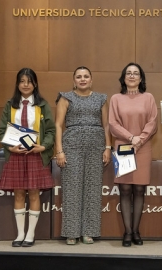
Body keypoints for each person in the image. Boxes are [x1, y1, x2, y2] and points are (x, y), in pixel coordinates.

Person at [0, 68, 55, 247]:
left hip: (35, 155)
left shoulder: (42, 105)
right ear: (17, 84)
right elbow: (2, 131)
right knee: (19, 193)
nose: (25, 84)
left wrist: (43, 146)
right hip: (16, 156)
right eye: (22, 81)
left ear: (35, 84)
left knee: (34, 193)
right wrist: (10, 146)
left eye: (29, 81)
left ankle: (30, 235)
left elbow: (51, 131)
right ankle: (19, 235)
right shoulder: (10, 105)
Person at [55, 66, 112, 245]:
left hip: (96, 147)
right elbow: (58, 125)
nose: (82, 79)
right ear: (74, 80)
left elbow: (107, 126)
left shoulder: (101, 99)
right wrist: (59, 151)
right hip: (71, 147)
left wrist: (108, 147)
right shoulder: (65, 97)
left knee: (92, 190)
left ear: (91, 80)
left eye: (86, 76)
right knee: (72, 190)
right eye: (79, 77)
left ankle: (89, 231)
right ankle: (71, 232)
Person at [109, 62, 157, 247]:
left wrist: (139, 140)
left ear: (141, 78)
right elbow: (113, 124)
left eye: (135, 73)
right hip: (123, 146)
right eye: (128, 73)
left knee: (139, 190)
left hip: (143, 147)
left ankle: (136, 231)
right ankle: (127, 232)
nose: (131, 76)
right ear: (123, 77)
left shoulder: (148, 97)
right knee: (125, 189)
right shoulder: (115, 98)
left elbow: (152, 122)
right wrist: (131, 138)